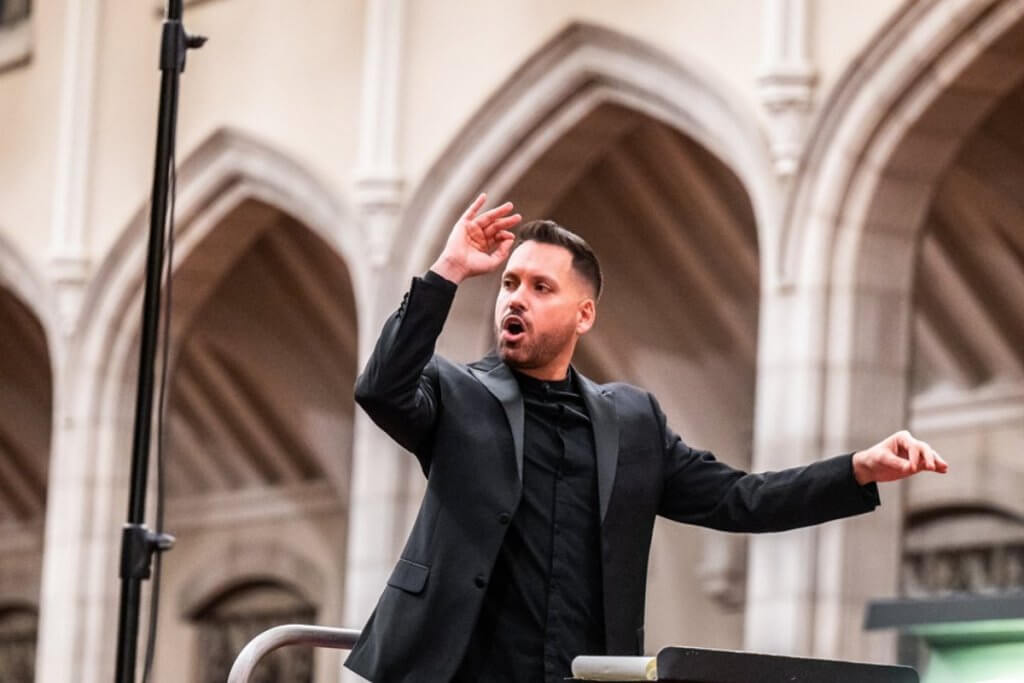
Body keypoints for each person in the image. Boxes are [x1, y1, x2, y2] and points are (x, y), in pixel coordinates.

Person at [345, 194, 948, 683]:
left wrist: (857, 470)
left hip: (583, 673)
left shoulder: (632, 420)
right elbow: (381, 390)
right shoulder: (456, 392)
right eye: (510, 283)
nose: (517, 298)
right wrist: (448, 271)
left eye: (540, 287)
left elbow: (740, 498)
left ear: (584, 314)